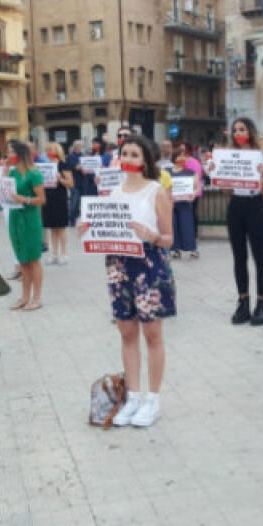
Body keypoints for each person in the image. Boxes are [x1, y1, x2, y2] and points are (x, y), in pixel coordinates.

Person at [79, 134, 175, 427]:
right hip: (118, 266)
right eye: (125, 154)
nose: (129, 159)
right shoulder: (114, 193)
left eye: (135, 154)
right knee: (127, 332)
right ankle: (133, 396)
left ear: (145, 160)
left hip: (149, 265)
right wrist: (86, 227)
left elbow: (170, 238)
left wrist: (153, 237)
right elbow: (104, 227)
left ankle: (153, 399)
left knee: (152, 334)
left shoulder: (156, 191)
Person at [210, 117, 263, 326]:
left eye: (242, 129)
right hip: (236, 206)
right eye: (235, 130)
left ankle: (261, 303)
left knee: (259, 257)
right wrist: (217, 176)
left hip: (255, 206)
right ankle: (243, 301)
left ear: (251, 131)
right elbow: (227, 191)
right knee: (239, 257)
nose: (238, 133)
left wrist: (262, 176)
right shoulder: (229, 156)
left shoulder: (262, 156)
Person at [7, 140, 45, 310]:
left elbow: (42, 199)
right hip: (15, 218)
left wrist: (25, 199)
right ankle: (24, 296)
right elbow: (5, 190)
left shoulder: (34, 173)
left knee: (33, 260)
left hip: (30, 219)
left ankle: (36, 298)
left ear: (20, 154)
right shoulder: (12, 172)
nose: (8, 155)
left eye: (10, 152)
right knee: (22, 259)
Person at [41, 141, 73, 265]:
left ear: (58, 151)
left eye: (52, 150)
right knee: (52, 228)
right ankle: (54, 253)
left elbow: (70, 183)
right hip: (48, 198)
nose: (49, 152)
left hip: (59, 198)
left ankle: (64, 253)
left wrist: (60, 179)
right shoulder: (45, 165)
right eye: (47, 150)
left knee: (61, 227)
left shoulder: (63, 165)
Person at [168, 148, 198, 258]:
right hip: (171, 203)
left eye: (184, 156)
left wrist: (193, 195)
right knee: (173, 226)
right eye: (179, 156)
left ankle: (192, 249)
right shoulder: (167, 172)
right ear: (174, 158)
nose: (182, 158)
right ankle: (175, 250)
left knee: (187, 226)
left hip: (185, 203)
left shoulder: (191, 173)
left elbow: (195, 187)